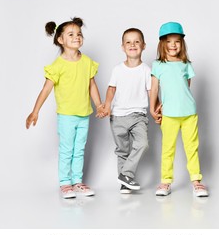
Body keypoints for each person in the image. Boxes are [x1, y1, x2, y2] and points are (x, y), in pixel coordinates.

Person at [26, 17, 104, 199]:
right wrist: (35, 111)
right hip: (67, 117)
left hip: (84, 115)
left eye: (79, 34)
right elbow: (46, 89)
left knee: (79, 149)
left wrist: (99, 104)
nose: (77, 37)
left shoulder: (87, 62)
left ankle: (77, 182)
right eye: (71, 34)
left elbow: (92, 85)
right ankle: (65, 183)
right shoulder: (58, 66)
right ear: (61, 40)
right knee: (67, 149)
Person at [150, 22, 209, 197]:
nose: (173, 45)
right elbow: (154, 89)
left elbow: (185, 88)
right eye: (169, 41)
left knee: (192, 148)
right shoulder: (158, 65)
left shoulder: (185, 64)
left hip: (189, 113)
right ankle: (165, 182)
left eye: (177, 41)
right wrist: (153, 108)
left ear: (182, 43)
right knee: (168, 148)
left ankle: (196, 181)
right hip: (169, 115)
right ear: (162, 43)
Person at [103, 28, 153, 194]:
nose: (132, 45)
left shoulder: (146, 70)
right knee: (122, 151)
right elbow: (111, 89)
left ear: (143, 46)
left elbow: (151, 92)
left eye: (137, 41)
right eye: (128, 42)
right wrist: (107, 105)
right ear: (123, 47)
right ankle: (125, 182)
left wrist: (155, 108)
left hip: (138, 115)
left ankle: (125, 174)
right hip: (117, 116)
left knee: (142, 143)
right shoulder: (118, 69)